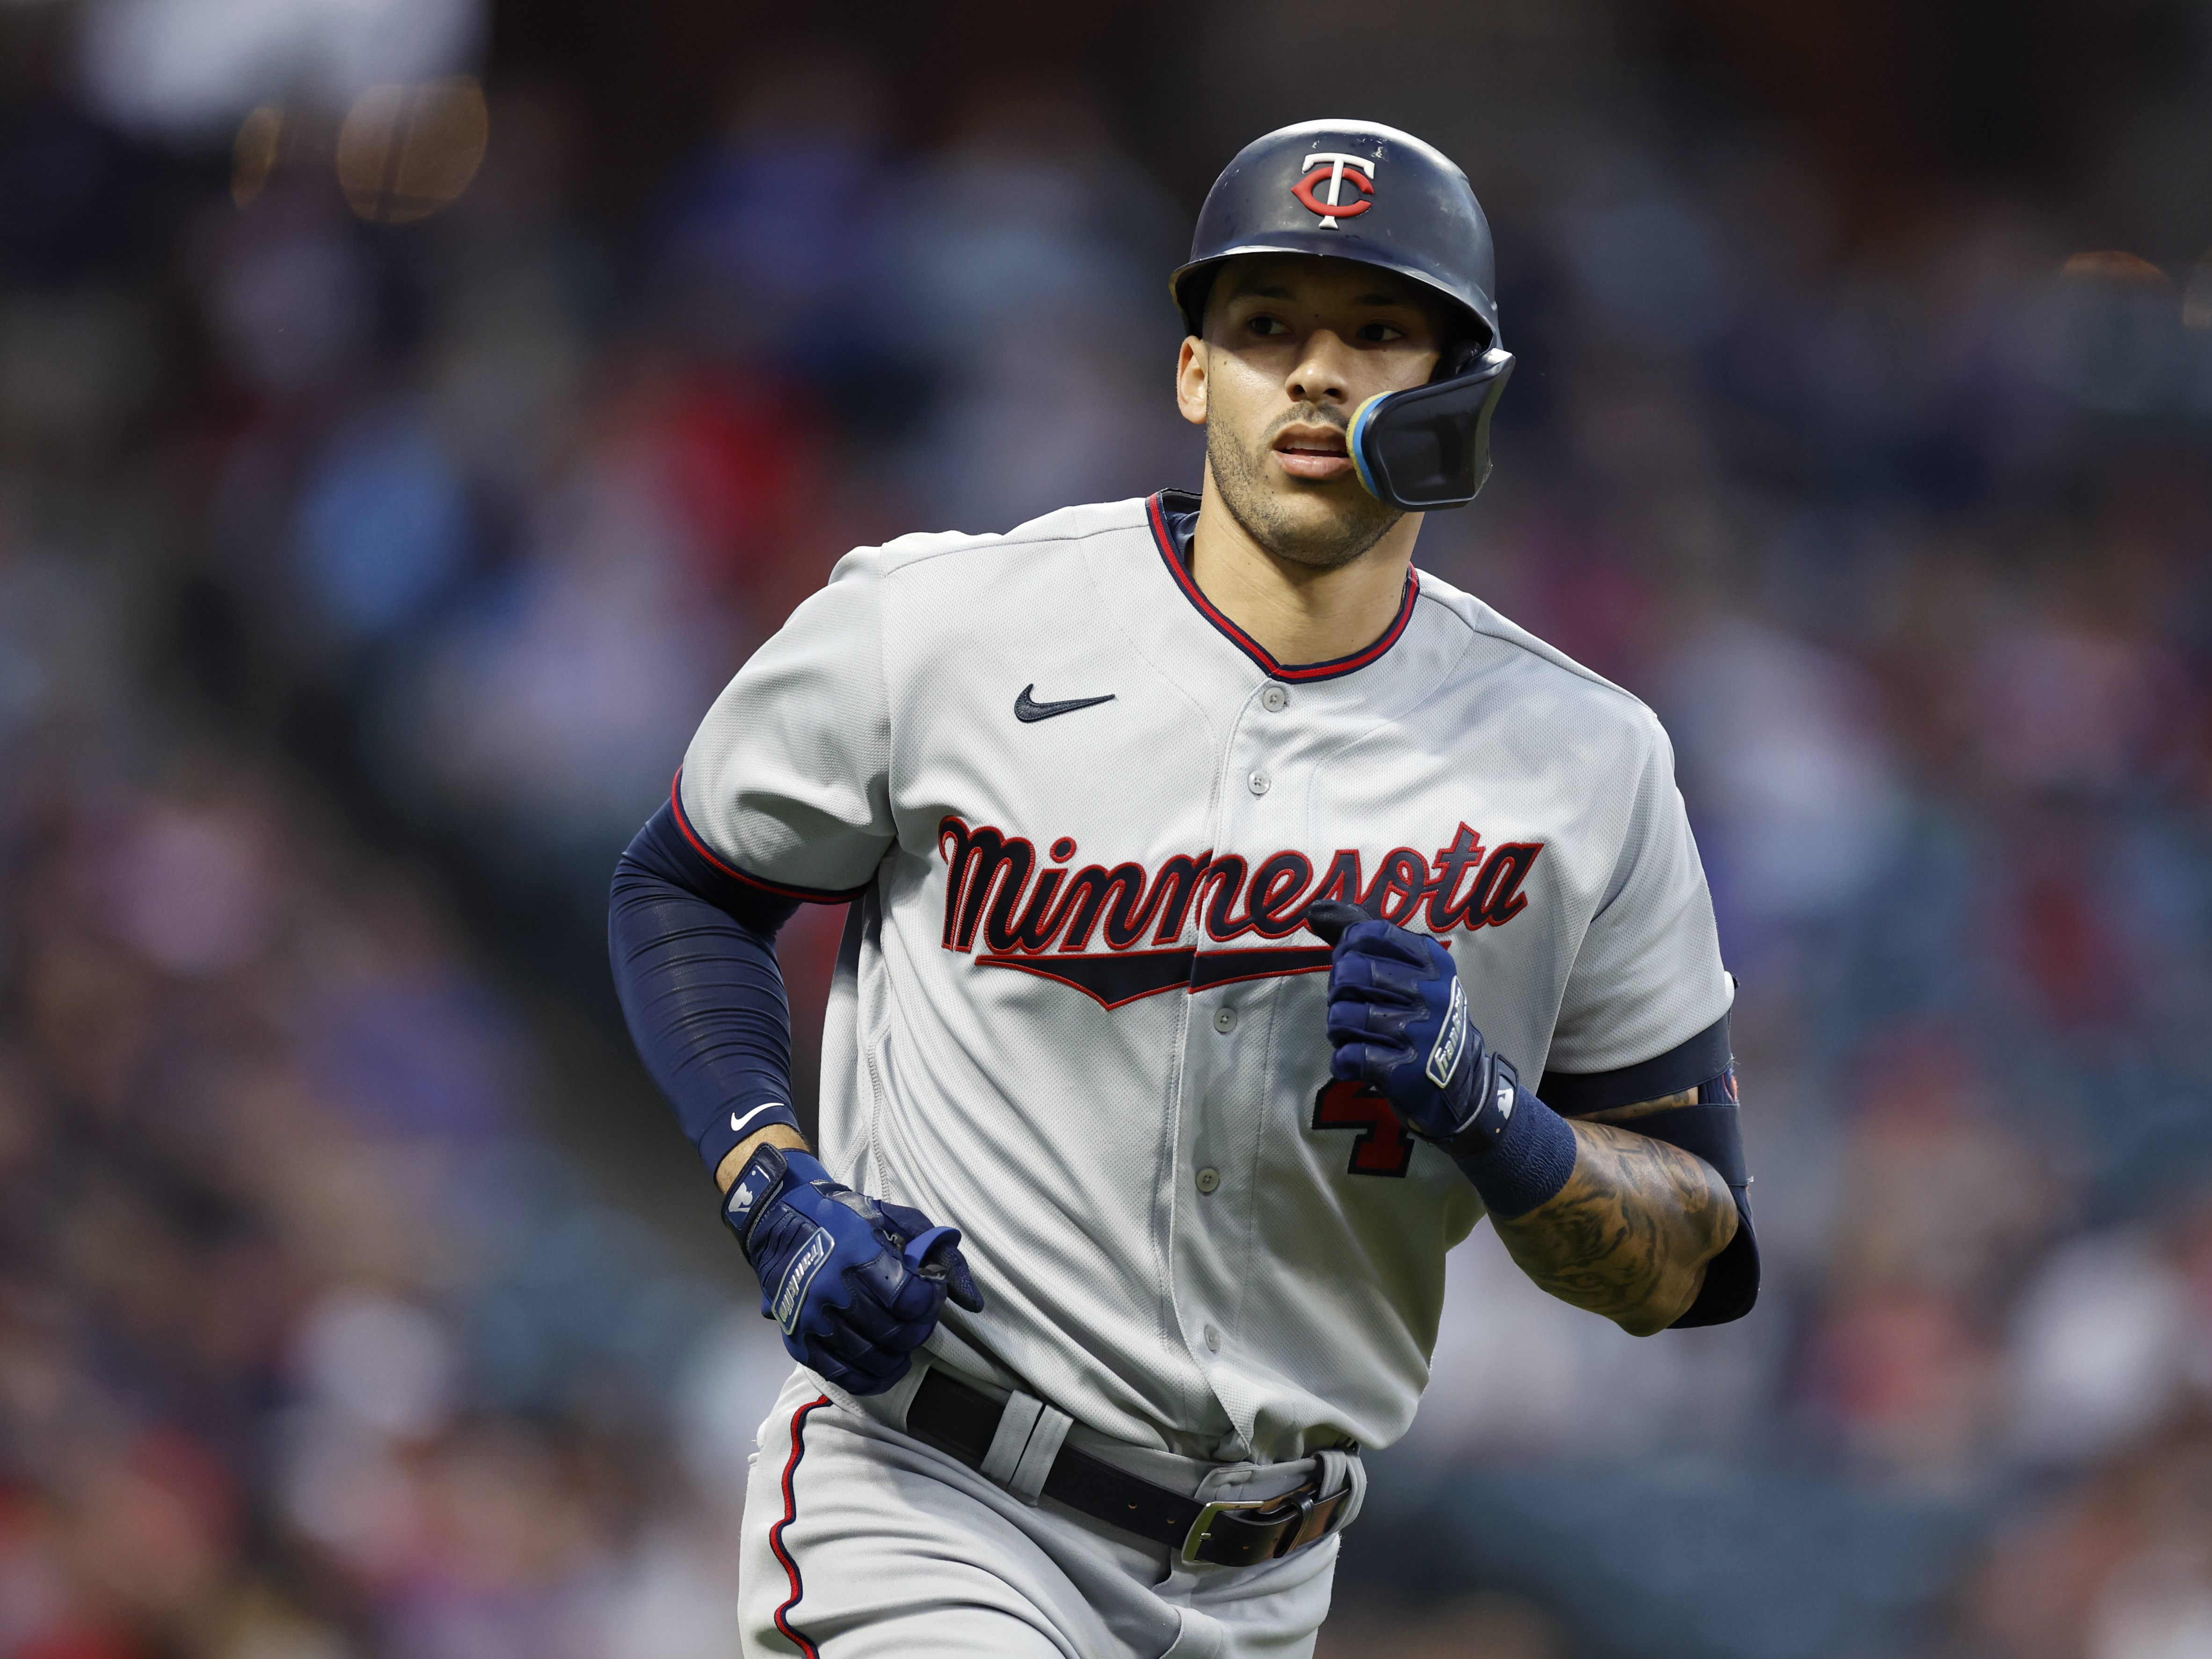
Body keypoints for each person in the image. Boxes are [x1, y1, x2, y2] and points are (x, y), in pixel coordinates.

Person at [609, 117, 1757, 1659]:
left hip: (1271, 1581)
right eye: (1266, 326)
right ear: (1192, 372)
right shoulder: (945, 624)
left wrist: (1495, 1114)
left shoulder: (1585, 761)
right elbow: (687, 885)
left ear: (1461, 389)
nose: (1317, 373)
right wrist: (771, 1183)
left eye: (1376, 330)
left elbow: (1689, 1253)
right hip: (932, 1498)